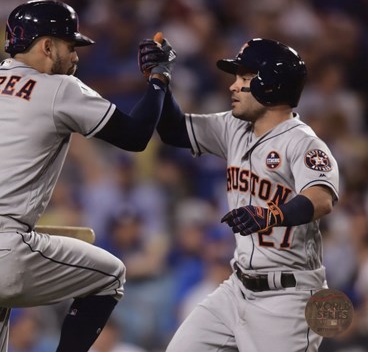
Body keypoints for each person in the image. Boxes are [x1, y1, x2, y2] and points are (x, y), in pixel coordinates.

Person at [0, 0, 175, 352]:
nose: (75, 57)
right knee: (109, 276)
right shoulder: (57, 87)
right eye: (70, 46)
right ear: (46, 45)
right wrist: (158, 79)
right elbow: (135, 136)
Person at [138, 37, 339, 352]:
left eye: (244, 77)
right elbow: (174, 130)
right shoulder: (234, 127)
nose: (233, 86)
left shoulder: (303, 143)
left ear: (270, 85)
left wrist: (271, 214)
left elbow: (321, 199)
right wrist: (160, 78)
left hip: (288, 298)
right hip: (237, 288)